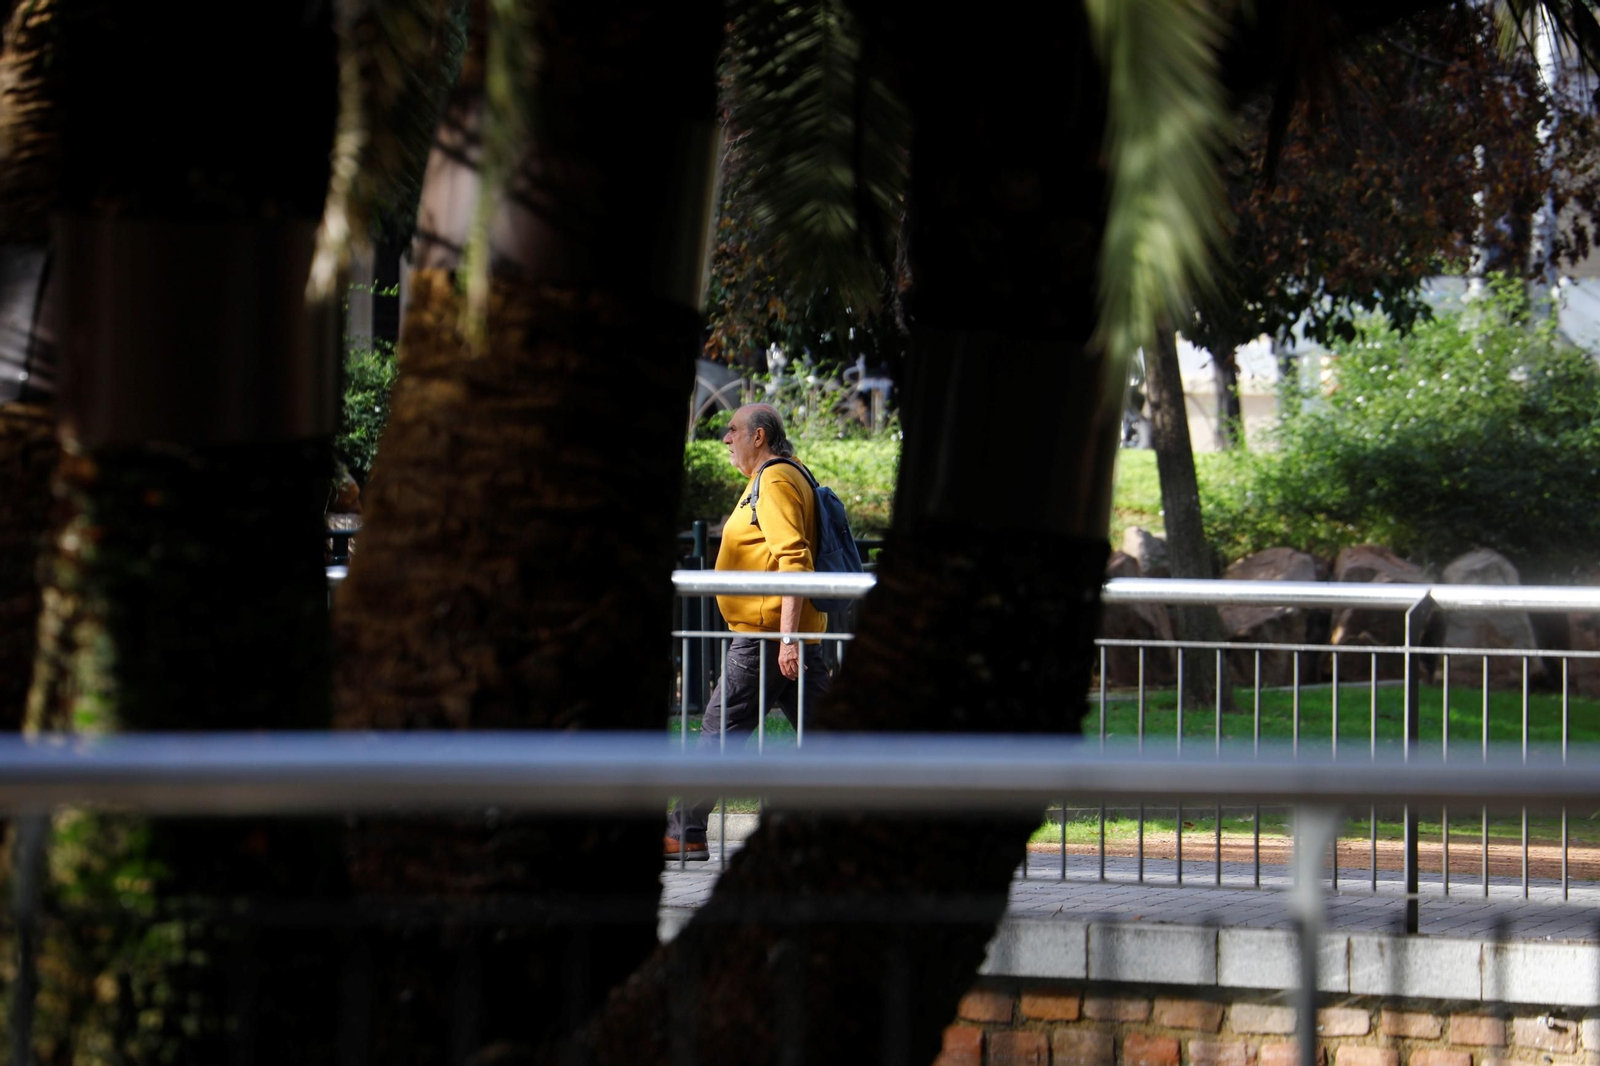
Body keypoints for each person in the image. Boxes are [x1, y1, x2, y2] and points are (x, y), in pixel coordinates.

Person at [665, 403, 833, 860]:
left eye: (733, 430)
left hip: (766, 639)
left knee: (718, 738)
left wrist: (786, 638)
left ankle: (685, 833)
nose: (726, 438)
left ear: (759, 436)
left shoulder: (775, 479)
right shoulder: (782, 475)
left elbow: (794, 561)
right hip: (779, 637)